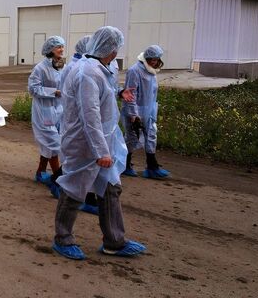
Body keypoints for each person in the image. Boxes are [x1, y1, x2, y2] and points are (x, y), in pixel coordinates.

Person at [52, 26, 146, 261]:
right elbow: (89, 115)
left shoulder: (98, 69)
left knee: (111, 188)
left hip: (102, 141)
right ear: (112, 50)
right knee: (75, 189)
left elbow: (102, 100)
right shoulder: (87, 73)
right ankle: (62, 238)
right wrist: (100, 151)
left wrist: (118, 93)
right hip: (85, 144)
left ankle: (114, 241)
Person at [48, 35, 100, 216]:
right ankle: (60, 184)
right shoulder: (76, 68)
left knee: (86, 160)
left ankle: (61, 183)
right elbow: (66, 95)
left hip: (81, 118)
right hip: (74, 119)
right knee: (79, 159)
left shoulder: (90, 67)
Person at [121, 45, 170, 179]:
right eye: (152, 59)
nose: (154, 62)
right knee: (132, 138)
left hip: (149, 109)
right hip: (136, 109)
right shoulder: (134, 70)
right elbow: (131, 93)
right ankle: (124, 165)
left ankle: (152, 166)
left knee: (151, 136)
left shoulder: (151, 71)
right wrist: (133, 114)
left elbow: (152, 93)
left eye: (156, 59)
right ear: (147, 58)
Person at [28, 36, 65, 185]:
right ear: (50, 49)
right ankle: (58, 179)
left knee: (50, 143)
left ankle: (40, 171)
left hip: (58, 109)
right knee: (53, 144)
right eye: (58, 47)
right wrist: (53, 92)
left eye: (62, 47)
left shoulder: (60, 65)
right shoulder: (40, 68)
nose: (61, 50)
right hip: (43, 111)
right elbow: (33, 89)